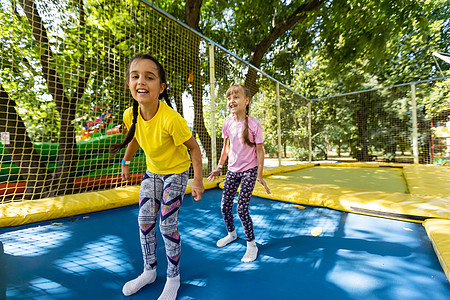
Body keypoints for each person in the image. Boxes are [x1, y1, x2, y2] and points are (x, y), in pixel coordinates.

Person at [109, 53, 204, 300]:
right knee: (144, 220)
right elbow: (135, 137)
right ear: (129, 84)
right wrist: (126, 161)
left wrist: (197, 181)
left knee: (167, 224)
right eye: (135, 76)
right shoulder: (130, 114)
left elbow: (194, 148)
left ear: (161, 88)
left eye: (149, 77)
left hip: (176, 171)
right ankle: (149, 271)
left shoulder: (171, 119)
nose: (141, 81)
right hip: (153, 172)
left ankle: (173, 277)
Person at [207, 84, 270, 263]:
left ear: (246, 101)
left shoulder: (254, 124)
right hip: (233, 171)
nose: (231, 101)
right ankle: (232, 234)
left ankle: (251, 245)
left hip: (249, 170)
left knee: (242, 208)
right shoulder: (227, 123)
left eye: (236, 97)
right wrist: (220, 166)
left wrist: (259, 173)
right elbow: (226, 147)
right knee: (224, 206)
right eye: (228, 98)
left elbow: (260, 150)